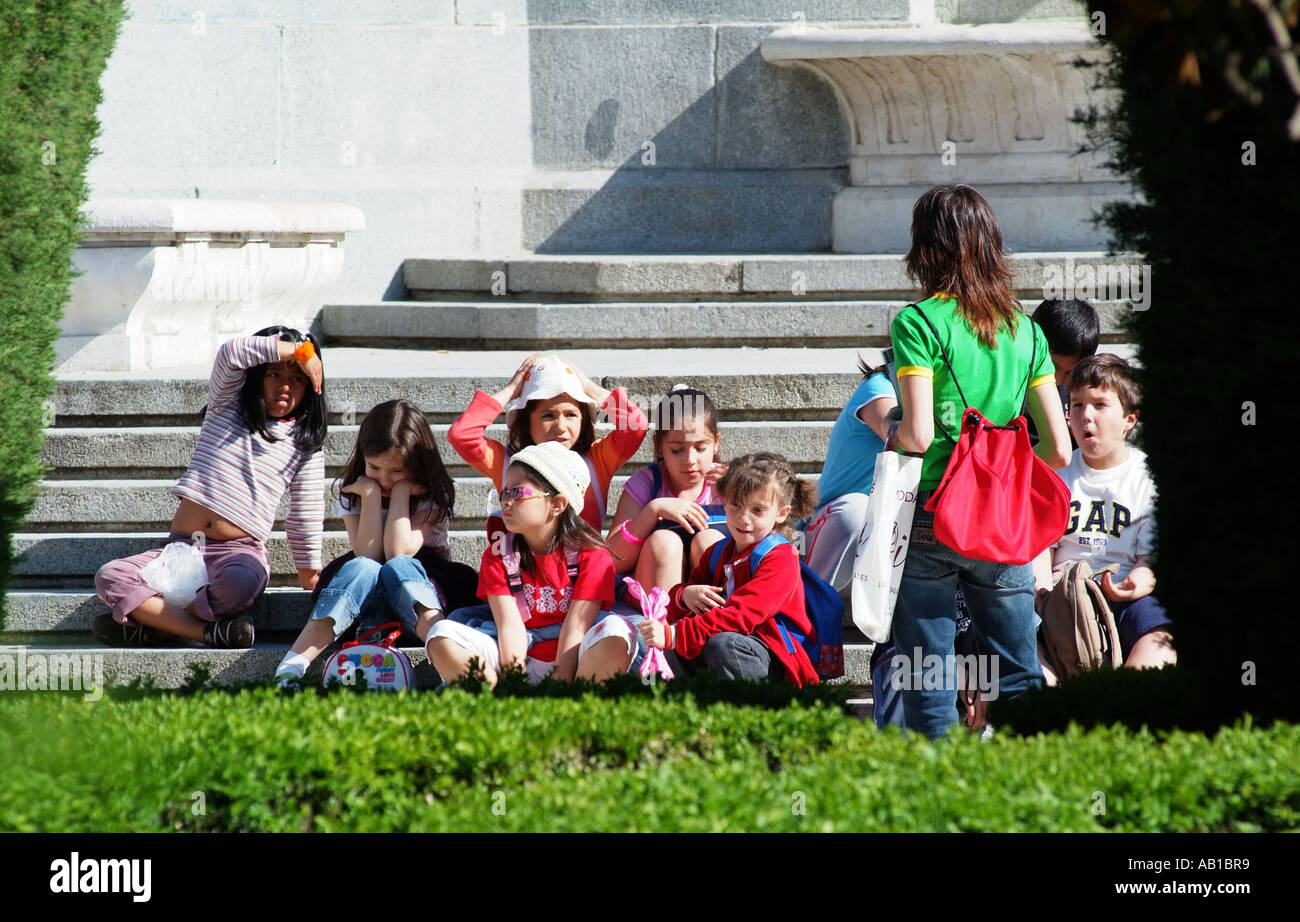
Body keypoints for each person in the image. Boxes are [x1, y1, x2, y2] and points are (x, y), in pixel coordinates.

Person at [889, 184, 1071, 738]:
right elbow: (1059, 449)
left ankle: (940, 801)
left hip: (932, 512)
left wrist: (886, 429)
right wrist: (1004, 469)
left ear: (926, 248)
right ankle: (1030, 787)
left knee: (929, 673)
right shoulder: (1027, 330)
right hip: (1003, 518)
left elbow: (918, 436)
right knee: (1017, 669)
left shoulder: (918, 323)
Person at [93, 326, 327, 648]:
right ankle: (206, 632)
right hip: (180, 549)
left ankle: (156, 627)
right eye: (274, 374)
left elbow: (305, 515)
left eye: (298, 378)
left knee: (242, 583)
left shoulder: (305, 444)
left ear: (312, 386)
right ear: (256, 376)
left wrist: (309, 576)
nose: (285, 385)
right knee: (109, 576)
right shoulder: (225, 406)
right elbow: (230, 354)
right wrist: (299, 353)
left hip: (238, 552)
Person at [274, 400, 464, 686]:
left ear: (418, 466)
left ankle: (453, 663)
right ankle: (291, 666)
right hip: (362, 604)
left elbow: (398, 552)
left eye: (397, 471)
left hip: (418, 602)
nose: (385, 479)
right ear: (362, 457)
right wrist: (371, 497)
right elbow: (369, 554)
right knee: (362, 566)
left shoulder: (430, 495)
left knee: (399, 565)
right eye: (374, 467)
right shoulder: (358, 492)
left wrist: (401, 494)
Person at [426, 442, 630, 686]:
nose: (506, 501)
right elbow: (509, 626)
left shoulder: (593, 555)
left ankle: (577, 700)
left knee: (617, 631)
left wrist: (558, 686)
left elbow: (576, 627)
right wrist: (516, 683)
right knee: (440, 635)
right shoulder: (498, 555)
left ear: (557, 504)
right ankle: (492, 699)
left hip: (575, 660)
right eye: (505, 492)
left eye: (517, 492)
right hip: (517, 655)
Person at [1033, 354, 1174, 682]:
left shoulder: (1146, 476)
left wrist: (1135, 584)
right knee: (1026, 647)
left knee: (1159, 641)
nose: (1086, 416)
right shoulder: (1057, 468)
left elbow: (1150, 558)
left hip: (1123, 594)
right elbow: (1042, 547)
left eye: (1099, 405)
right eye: (1077, 405)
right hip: (1062, 595)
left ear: (1129, 419)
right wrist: (1042, 589)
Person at [638, 452, 820, 688]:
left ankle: (754, 715)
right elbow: (673, 607)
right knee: (677, 649)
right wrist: (685, 595)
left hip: (775, 660)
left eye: (758, 510)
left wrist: (676, 635)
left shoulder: (781, 557)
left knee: (722, 644)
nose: (743, 519)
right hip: (730, 644)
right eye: (735, 506)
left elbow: (741, 616)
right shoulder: (717, 552)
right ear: (724, 502)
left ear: (782, 513)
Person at [447, 352, 647, 536]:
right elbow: (462, 435)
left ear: (583, 420)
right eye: (548, 416)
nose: (561, 427)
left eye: (571, 415)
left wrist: (588, 387)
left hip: (583, 573)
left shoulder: (597, 461)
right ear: (526, 421)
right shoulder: (508, 462)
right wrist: (510, 390)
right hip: (523, 572)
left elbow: (636, 426)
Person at [605, 384, 727, 591]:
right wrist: (653, 510)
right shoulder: (647, 483)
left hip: (707, 596)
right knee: (664, 541)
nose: (690, 460)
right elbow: (612, 561)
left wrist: (739, 491)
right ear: (659, 447)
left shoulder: (729, 482)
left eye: (700, 448)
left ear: (715, 443)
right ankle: (664, 620)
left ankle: (714, 618)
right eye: (677, 450)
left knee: (710, 540)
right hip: (654, 592)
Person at [803, 357, 898, 593]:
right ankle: (804, 614)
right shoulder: (880, 387)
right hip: (826, 526)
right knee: (856, 510)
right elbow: (908, 442)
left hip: (887, 526)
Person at [1027, 297, 1101, 448]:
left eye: (1072, 372)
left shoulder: (1085, 395)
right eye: (1051, 366)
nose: (1057, 379)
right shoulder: (1012, 387)